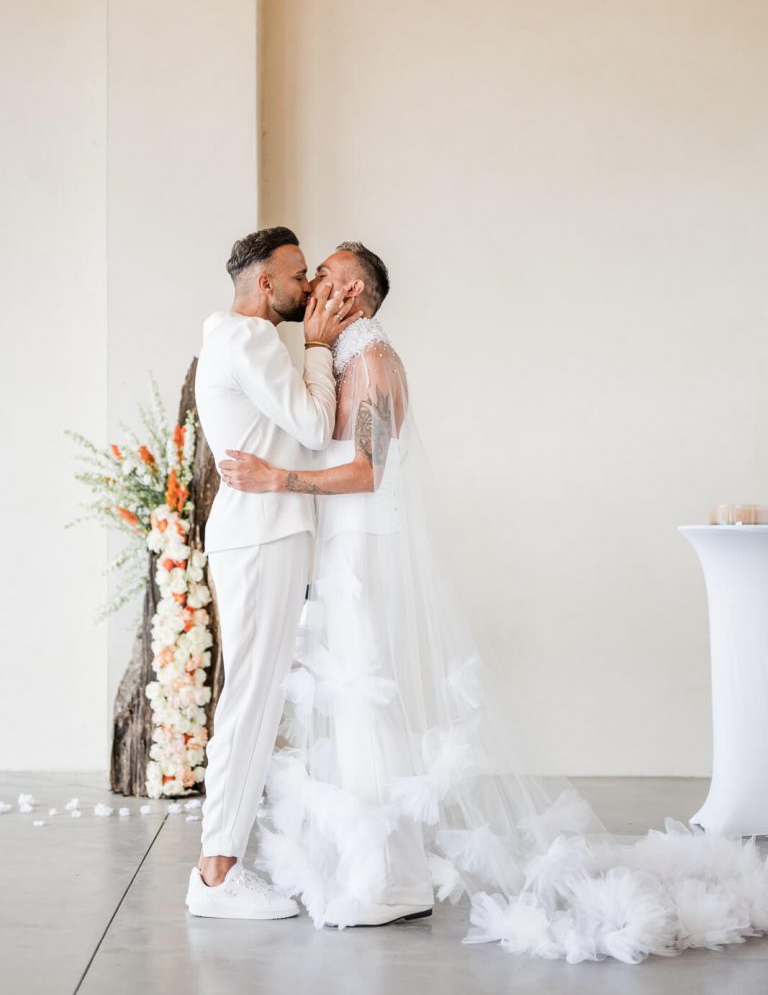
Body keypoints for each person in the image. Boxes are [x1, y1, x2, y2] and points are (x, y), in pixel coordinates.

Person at [219, 242, 768, 962]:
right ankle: (386, 874)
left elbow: (366, 469)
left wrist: (276, 481)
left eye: (326, 270)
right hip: (345, 551)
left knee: (365, 704)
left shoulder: (375, 362)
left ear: (353, 291)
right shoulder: (347, 360)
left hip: (366, 552)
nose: (314, 279)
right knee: (355, 710)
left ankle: (383, 881)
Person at [186, 227, 362, 920]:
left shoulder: (235, 340)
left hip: (267, 533)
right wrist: (319, 347)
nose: (306, 287)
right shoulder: (253, 340)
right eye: (296, 276)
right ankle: (216, 873)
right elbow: (315, 428)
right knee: (250, 699)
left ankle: (221, 864)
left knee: (256, 696)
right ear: (265, 283)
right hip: (260, 537)